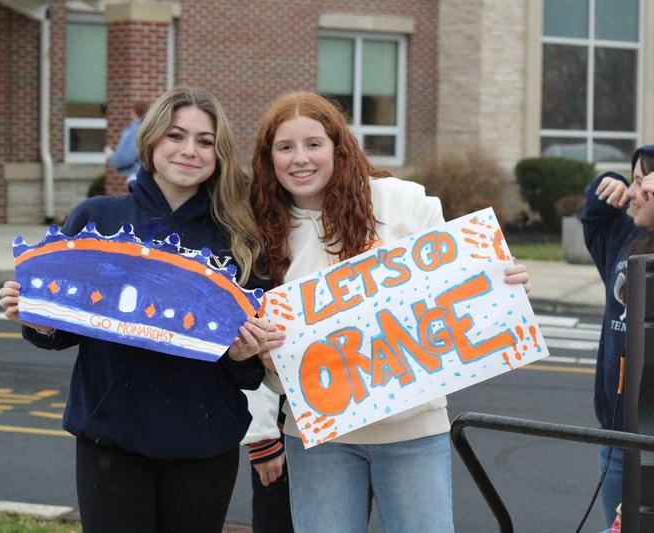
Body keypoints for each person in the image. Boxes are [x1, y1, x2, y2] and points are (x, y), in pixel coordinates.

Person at [0, 86, 285, 533]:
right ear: (151, 141)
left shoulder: (239, 239)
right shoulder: (98, 219)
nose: (189, 150)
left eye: (205, 141)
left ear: (219, 153)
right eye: (176, 135)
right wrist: (39, 320)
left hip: (204, 443)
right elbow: (62, 332)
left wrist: (243, 354)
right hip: (112, 440)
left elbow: (248, 374)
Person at [249, 91, 532, 533]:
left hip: (412, 432)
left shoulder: (402, 203)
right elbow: (261, 363)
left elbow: (459, 288)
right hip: (318, 439)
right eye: (285, 148)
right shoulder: (261, 233)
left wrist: (500, 283)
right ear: (269, 158)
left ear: (338, 148)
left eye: (314, 144)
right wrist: (264, 357)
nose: (300, 159)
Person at [581, 144, 654, 526]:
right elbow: (594, 221)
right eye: (635, 180)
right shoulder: (622, 241)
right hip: (616, 435)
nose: (635, 193)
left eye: (645, 183)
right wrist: (603, 187)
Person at [242, 387, 294, 533]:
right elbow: (255, 368)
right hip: (283, 429)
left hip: (338, 419)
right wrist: (262, 438)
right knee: (276, 519)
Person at [105, 100, 149, 192]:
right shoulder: (149, 128)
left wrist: (111, 155)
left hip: (137, 177)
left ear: (134, 112)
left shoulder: (136, 130)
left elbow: (124, 158)